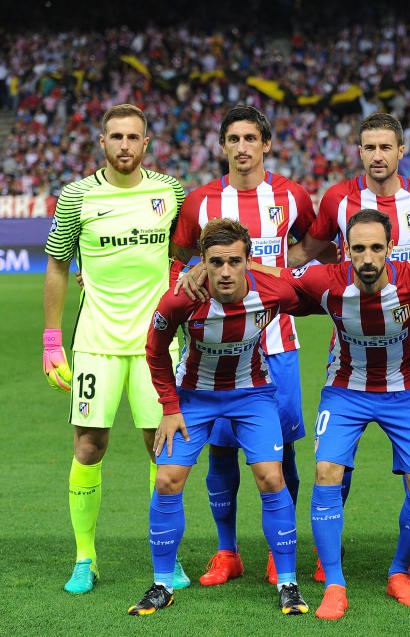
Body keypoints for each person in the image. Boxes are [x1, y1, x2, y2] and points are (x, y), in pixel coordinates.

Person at [276, 209, 410, 620]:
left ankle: (398, 573)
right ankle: (335, 583)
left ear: (391, 249)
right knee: (326, 473)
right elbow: (274, 276)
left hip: (405, 393)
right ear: (345, 252)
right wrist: (207, 267)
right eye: (359, 249)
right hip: (345, 391)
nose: (368, 257)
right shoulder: (326, 279)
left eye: (377, 248)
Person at [286, 112, 410, 582]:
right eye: (369, 147)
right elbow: (307, 256)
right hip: (349, 344)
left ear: (400, 151)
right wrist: (251, 267)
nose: (377, 156)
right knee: (335, 462)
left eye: (385, 147)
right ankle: (326, 549)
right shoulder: (337, 198)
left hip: (406, 347)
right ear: (359, 151)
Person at [42, 103, 189, 594]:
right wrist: (50, 340)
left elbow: (184, 256)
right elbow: (59, 264)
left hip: (156, 346)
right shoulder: (77, 196)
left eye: (134, 137)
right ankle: (85, 557)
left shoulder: (170, 192)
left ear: (147, 143)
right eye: (116, 137)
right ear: (101, 142)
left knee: (162, 451)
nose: (125, 145)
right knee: (90, 446)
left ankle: (167, 557)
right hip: (96, 344)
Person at [170, 104, 317, 587]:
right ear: (223, 145)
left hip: (275, 344)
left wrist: (282, 270)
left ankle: (281, 552)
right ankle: (227, 551)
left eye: (250, 138)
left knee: (285, 451)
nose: (242, 147)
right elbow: (179, 259)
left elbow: (317, 243)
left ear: (266, 144)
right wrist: (190, 282)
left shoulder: (291, 195)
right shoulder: (200, 202)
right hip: (212, 348)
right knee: (219, 450)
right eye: (233, 139)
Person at [131, 218, 309, 616]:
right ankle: (162, 583)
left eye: (234, 261)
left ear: (249, 260)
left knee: (271, 476)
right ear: (203, 263)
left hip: (253, 394)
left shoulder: (273, 292)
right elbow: (155, 352)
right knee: (167, 478)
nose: (225, 271)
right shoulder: (180, 300)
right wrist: (170, 408)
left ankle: (288, 583)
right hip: (194, 398)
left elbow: (318, 297)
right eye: (216, 262)